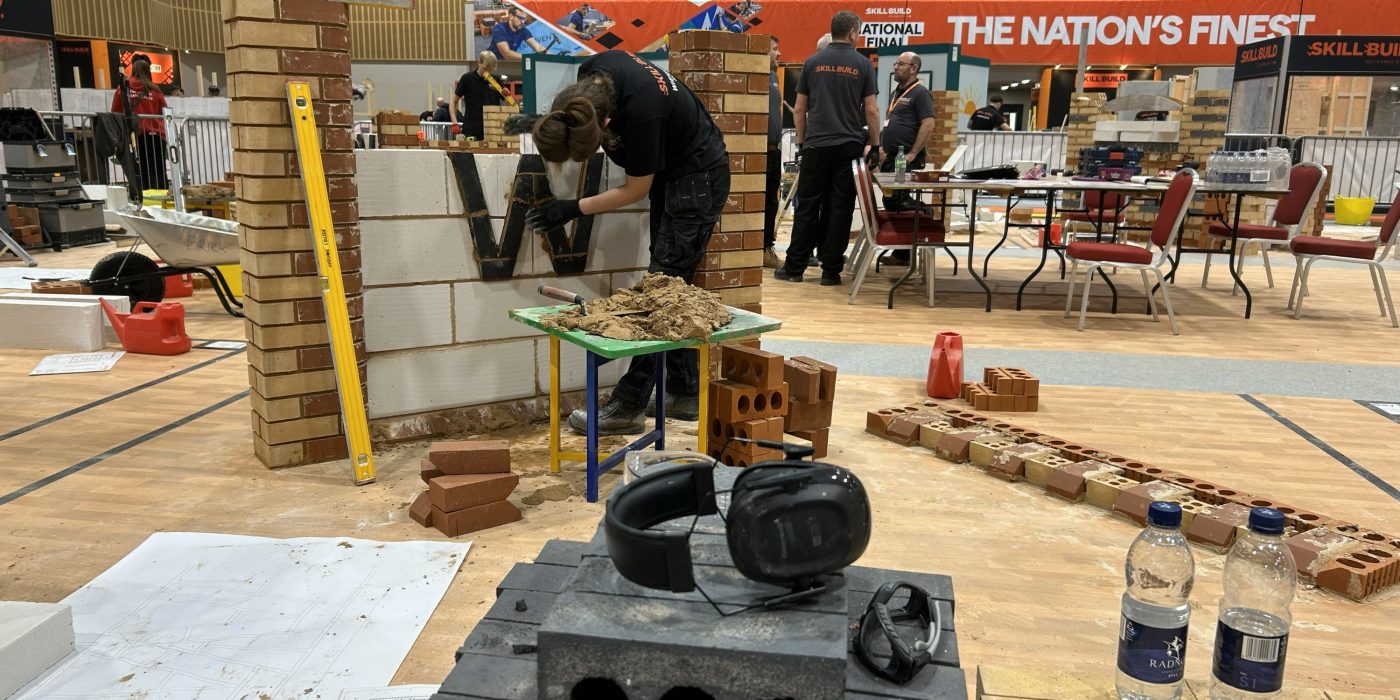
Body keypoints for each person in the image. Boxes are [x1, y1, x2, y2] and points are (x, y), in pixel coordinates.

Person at [529, 51, 729, 435]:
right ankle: (686, 392)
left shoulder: (643, 113)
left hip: (698, 178)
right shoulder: (593, 73)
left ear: (605, 121)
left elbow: (635, 189)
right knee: (672, 284)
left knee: (659, 295)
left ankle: (628, 406)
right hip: (674, 176)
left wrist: (573, 207)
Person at [775, 11, 878, 286]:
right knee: (839, 207)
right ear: (853, 32)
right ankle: (831, 271)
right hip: (848, 146)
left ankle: (794, 268)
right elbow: (871, 109)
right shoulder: (863, 65)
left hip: (816, 145)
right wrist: (876, 144)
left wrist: (802, 142)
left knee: (807, 205)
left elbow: (799, 109)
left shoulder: (812, 62)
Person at [879, 51, 935, 212]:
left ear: (913, 68)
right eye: (895, 64)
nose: (896, 67)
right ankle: (904, 230)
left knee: (897, 199)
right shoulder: (895, 93)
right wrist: (883, 147)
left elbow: (928, 124)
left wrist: (913, 153)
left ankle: (925, 215)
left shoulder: (920, 93)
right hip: (891, 157)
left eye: (901, 64)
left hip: (905, 158)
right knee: (890, 198)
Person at [111, 54, 169, 192]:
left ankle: (143, 198)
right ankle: (162, 197)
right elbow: (165, 111)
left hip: (134, 136)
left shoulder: (123, 89)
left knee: (139, 170)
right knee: (159, 169)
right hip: (156, 137)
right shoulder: (155, 91)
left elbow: (115, 111)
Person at [762, 35, 783, 268]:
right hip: (760, 153)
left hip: (774, 151)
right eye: (774, 50)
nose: (779, 54)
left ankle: (766, 246)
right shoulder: (755, 77)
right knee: (763, 201)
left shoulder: (774, 77)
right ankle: (761, 246)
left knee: (771, 201)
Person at [451, 51, 505, 140]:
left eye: (490, 70)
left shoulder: (496, 81)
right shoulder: (467, 78)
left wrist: (507, 95)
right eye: (485, 69)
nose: (487, 73)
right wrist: (454, 123)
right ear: (478, 63)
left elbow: (510, 105)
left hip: (493, 131)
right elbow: (453, 102)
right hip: (471, 131)